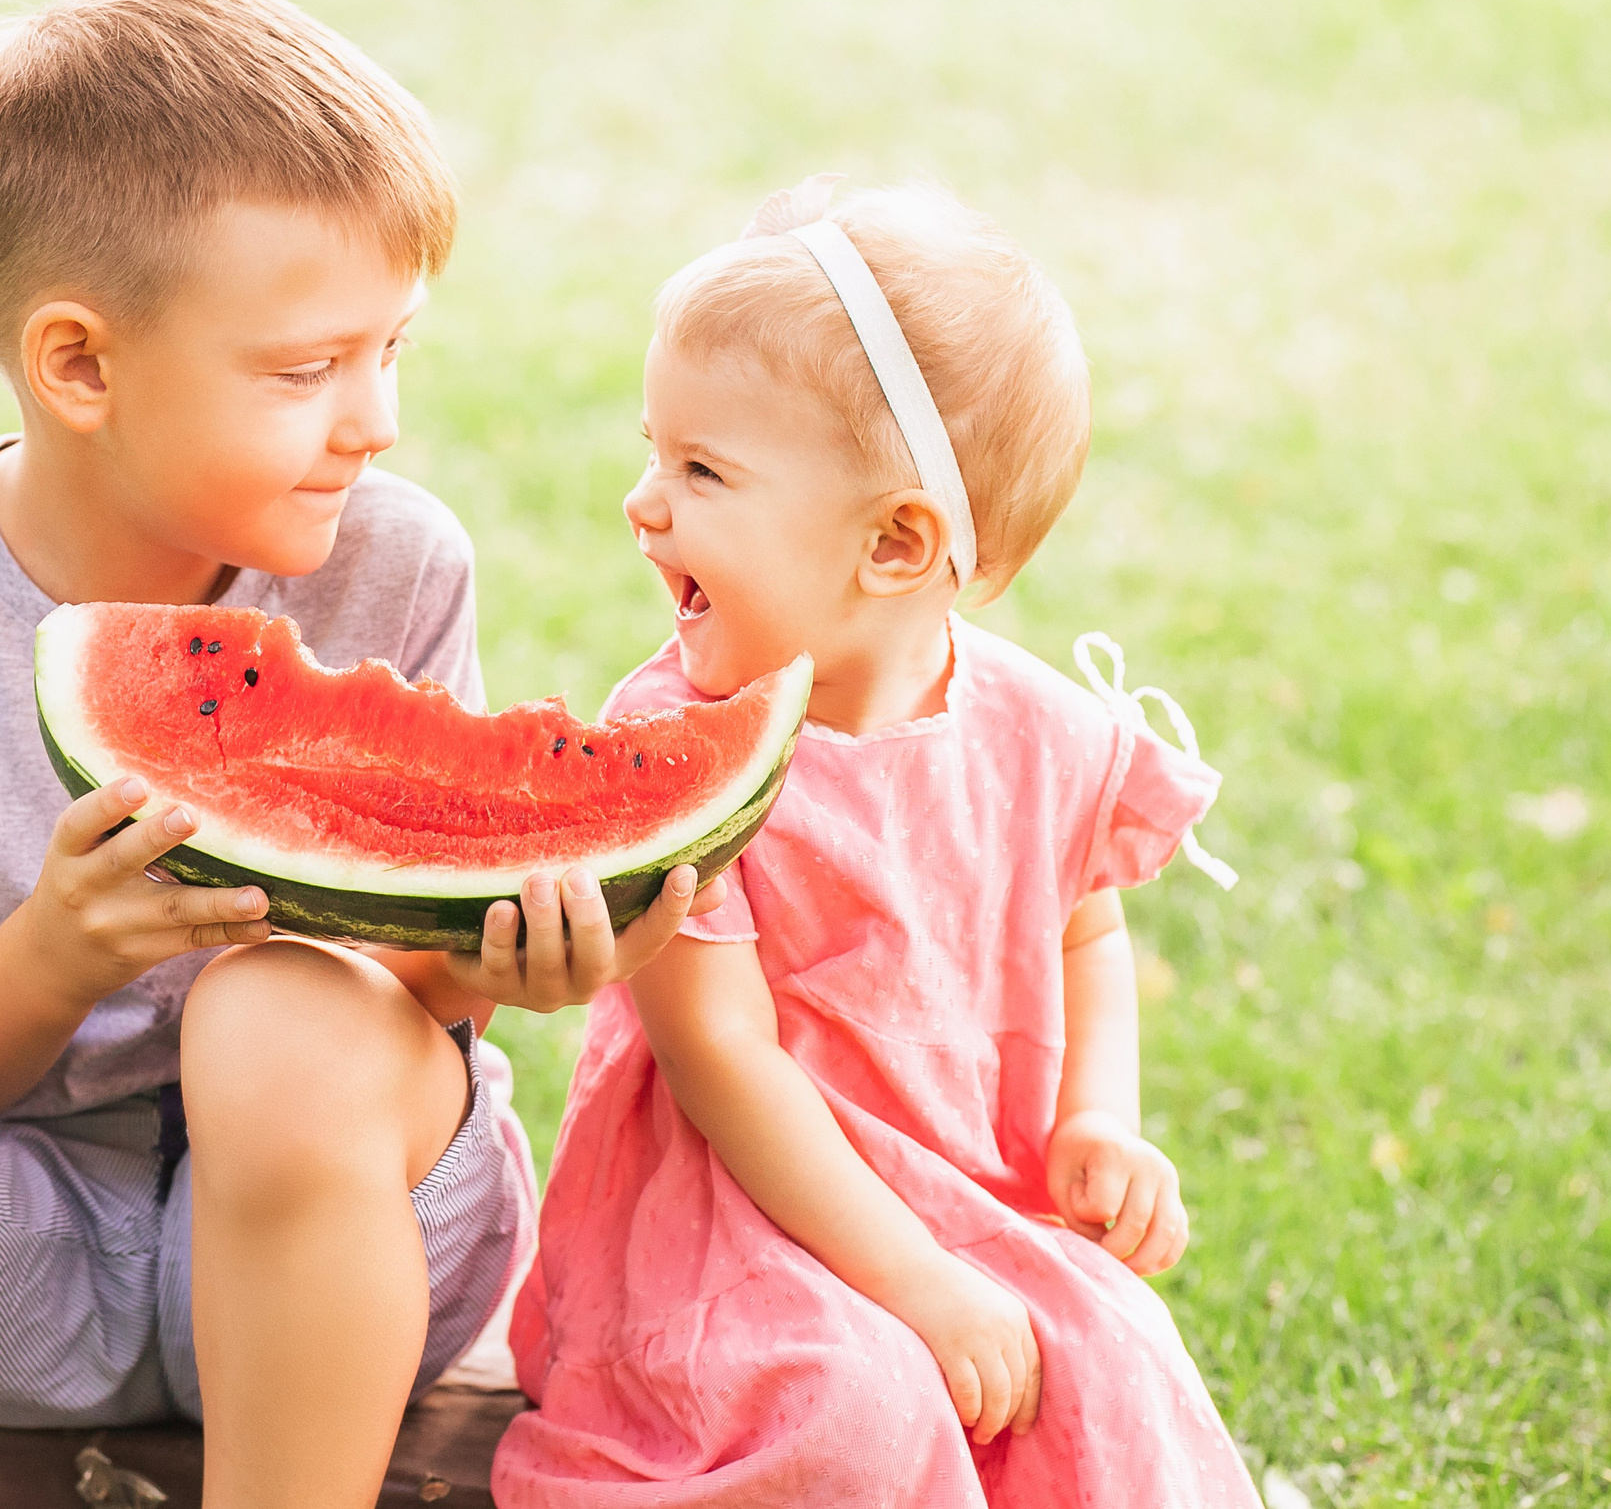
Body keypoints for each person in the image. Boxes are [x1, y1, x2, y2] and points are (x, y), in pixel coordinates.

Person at [0, 0, 709, 1509]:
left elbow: (412, 994)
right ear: (81, 365)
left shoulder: (400, 558)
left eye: (393, 348)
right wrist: (59, 952)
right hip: (22, 1248)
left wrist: (516, 964)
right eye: (308, 369)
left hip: (358, 1233)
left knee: (280, 1018)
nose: (374, 418)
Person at [495, 176, 1260, 1505]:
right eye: (653, 451)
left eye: (702, 471)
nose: (642, 504)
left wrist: (1099, 1121)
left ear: (897, 544)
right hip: (726, 1225)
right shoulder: (671, 738)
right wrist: (916, 1285)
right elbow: (721, 1058)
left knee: (1119, 1365)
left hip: (972, 1193)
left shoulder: (1042, 730)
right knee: (854, 1411)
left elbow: (1088, 926)